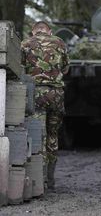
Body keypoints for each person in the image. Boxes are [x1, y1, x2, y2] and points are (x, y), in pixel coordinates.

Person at [21, 21, 69, 191]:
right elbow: (65, 68)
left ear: (33, 32)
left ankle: (37, 180)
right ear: (49, 31)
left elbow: (19, 70)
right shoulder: (60, 42)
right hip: (56, 95)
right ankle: (50, 180)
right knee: (52, 135)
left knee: (36, 135)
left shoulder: (25, 44)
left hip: (36, 95)